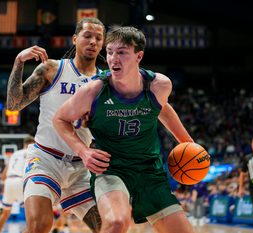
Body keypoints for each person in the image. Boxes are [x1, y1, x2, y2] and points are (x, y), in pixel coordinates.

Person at [54, 26, 195, 233]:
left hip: (149, 172)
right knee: (117, 222)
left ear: (139, 56)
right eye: (110, 52)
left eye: (121, 52)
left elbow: (162, 107)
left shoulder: (159, 85)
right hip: (110, 169)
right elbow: (59, 119)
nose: (113, 59)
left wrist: (188, 143)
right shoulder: (93, 91)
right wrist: (83, 151)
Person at [6, 17, 105, 233]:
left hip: (81, 168)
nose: (93, 42)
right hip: (46, 160)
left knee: (109, 226)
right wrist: (19, 62)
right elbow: (14, 104)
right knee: (40, 226)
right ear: (75, 39)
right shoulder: (52, 69)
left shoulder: (104, 82)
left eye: (98, 38)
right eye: (87, 36)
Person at [0, 135, 35, 233]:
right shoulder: (32, 152)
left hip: (9, 181)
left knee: (4, 215)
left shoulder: (14, 154)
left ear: (24, 144)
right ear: (33, 143)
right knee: (31, 218)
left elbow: (3, 176)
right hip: (19, 181)